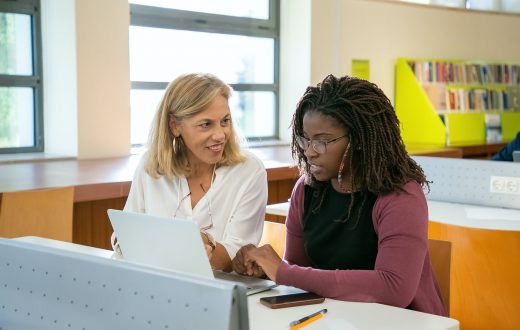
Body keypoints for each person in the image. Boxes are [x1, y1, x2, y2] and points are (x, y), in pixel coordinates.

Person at [232, 74, 447, 316]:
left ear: (359, 140)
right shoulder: (306, 189)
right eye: (305, 139)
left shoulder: (400, 195)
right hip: (334, 317)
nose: (310, 152)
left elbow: (394, 288)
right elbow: (299, 271)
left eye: (322, 141)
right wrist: (266, 269)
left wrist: (283, 272)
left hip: (401, 321)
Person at [119, 73, 268, 272]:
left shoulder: (249, 171)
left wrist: (204, 246)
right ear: (175, 126)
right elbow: (126, 236)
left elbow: (237, 254)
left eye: (225, 121)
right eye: (206, 124)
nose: (220, 135)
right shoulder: (150, 167)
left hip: (221, 291)